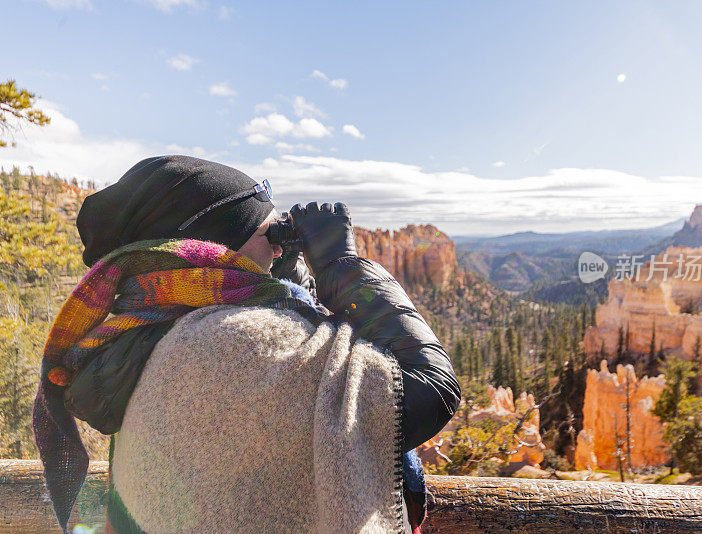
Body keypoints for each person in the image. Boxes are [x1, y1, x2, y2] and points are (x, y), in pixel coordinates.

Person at [31, 155, 461, 534]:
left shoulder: (153, 319)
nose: (278, 249)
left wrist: (285, 271)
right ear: (219, 244)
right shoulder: (232, 341)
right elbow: (431, 389)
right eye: (268, 234)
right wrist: (342, 267)